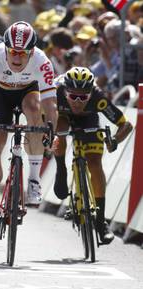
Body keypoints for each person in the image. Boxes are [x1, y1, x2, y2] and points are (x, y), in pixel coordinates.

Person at [0, 21, 58, 239]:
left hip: (27, 92)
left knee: (34, 110)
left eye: (23, 53)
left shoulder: (42, 61)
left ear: (32, 52)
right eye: (12, 51)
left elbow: (51, 105)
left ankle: (33, 179)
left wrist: (52, 133)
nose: (16, 57)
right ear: (5, 48)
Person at [53, 67, 133, 244]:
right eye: (73, 96)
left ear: (91, 93)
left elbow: (126, 125)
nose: (78, 101)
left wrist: (115, 140)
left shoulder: (98, 96)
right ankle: (61, 170)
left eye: (83, 97)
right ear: (65, 91)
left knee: (95, 164)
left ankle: (100, 221)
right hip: (63, 116)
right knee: (60, 130)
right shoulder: (55, 92)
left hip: (89, 120)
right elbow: (43, 117)